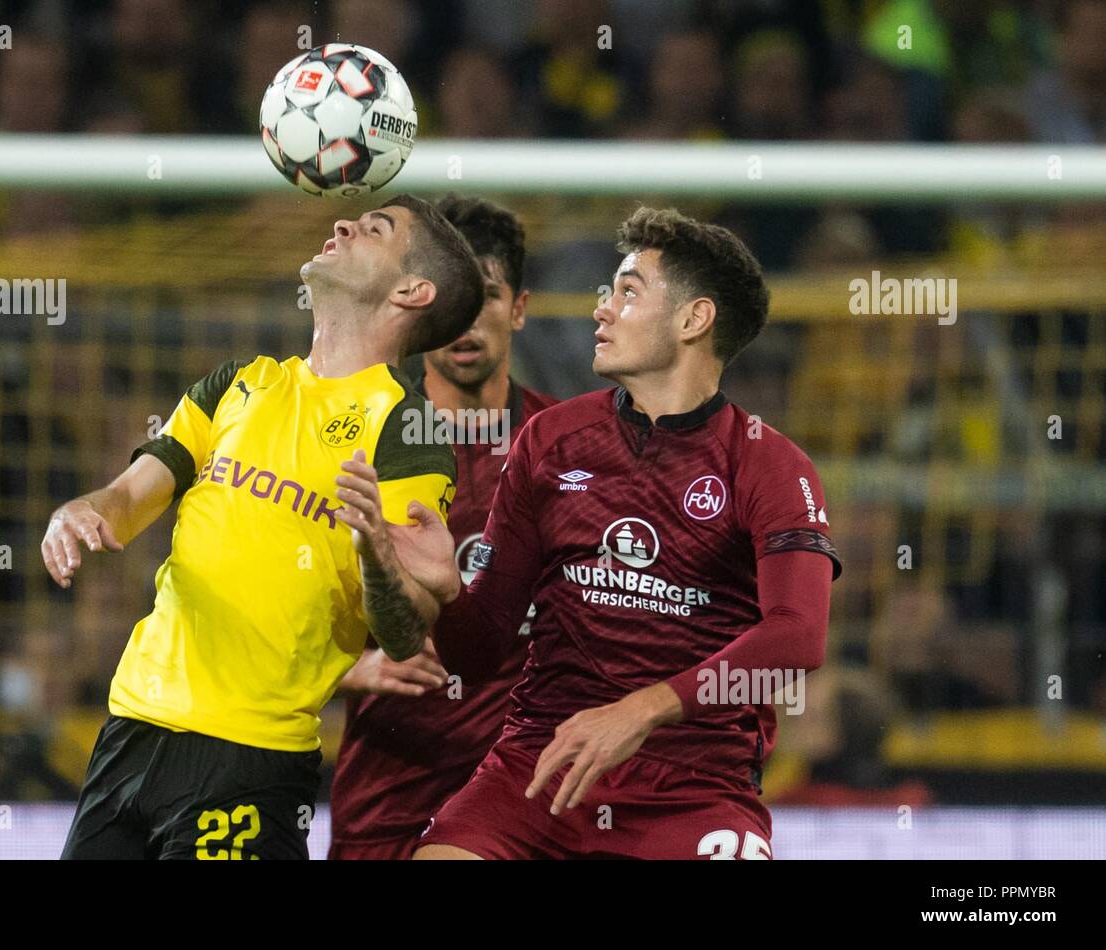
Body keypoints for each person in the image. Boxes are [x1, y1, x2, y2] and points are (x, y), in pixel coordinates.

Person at [346, 206, 841, 860]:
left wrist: (640, 711)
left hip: (693, 786)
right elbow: (479, 647)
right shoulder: (551, 441)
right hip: (538, 768)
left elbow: (796, 637)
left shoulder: (770, 465)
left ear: (695, 319)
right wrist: (447, 593)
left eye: (628, 292)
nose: (600, 310)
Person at [47, 194, 484, 860]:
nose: (342, 224)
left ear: (412, 289)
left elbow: (402, 632)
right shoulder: (237, 384)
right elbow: (132, 494)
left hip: (248, 760)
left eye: (375, 229)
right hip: (129, 731)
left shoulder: (404, 431)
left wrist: (373, 549)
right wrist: (83, 509)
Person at [329, 195, 557, 860]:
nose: (467, 319)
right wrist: (347, 668)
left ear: (518, 308)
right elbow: (281, 596)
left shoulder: (569, 450)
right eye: (451, 298)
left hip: (524, 795)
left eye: (485, 295)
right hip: (389, 788)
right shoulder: (361, 438)